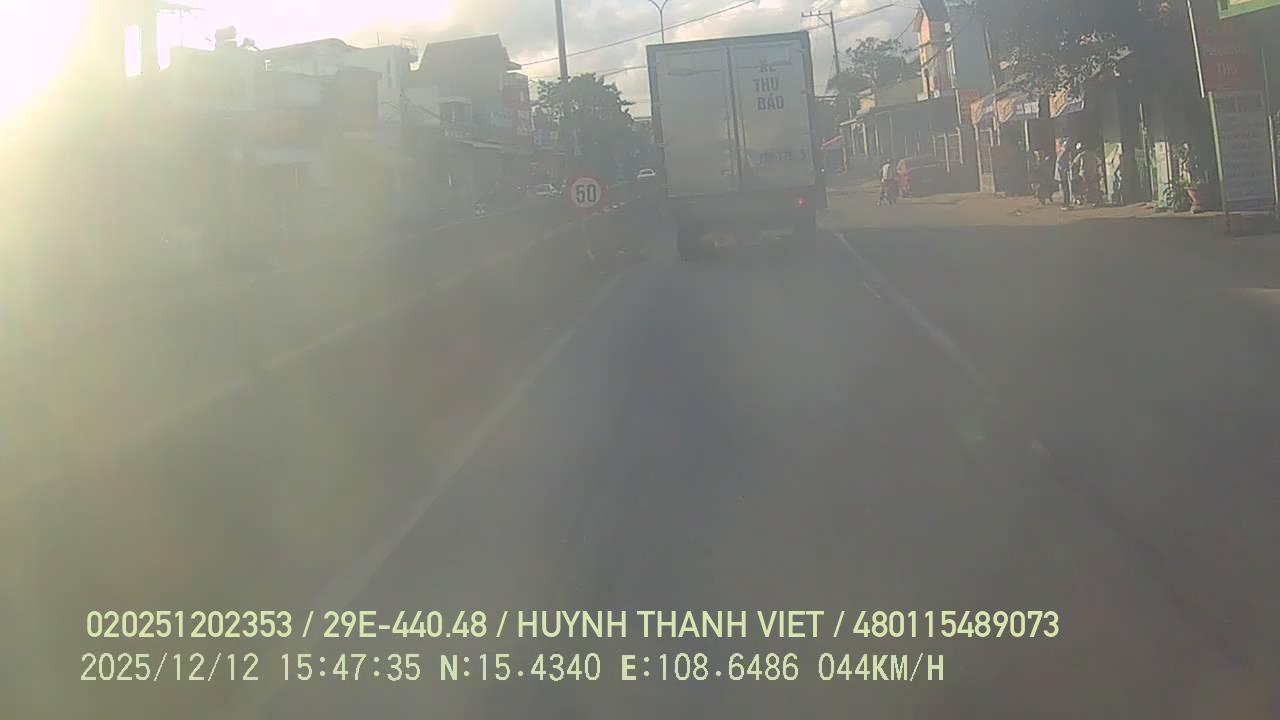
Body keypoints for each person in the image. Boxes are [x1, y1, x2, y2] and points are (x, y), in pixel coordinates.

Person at [1072, 142, 1103, 207]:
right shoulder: (1093, 154)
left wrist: (1075, 173)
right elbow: (1099, 163)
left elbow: (1074, 164)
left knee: (1082, 187)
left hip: (1084, 174)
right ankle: (1093, 200)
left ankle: (1083, 199)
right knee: (1093, 187)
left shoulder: (1081, 155)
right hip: (1093, 173)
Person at [1055, 142, 1074, 209]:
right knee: (1064, 189)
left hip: (1064, 174)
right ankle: (1065, 204)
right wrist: (1064, 169)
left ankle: (1067, 203)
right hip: (1061, 174)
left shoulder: (1066, 153)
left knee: (1066, 189)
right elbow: (1059, 162)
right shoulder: (1063, 153)